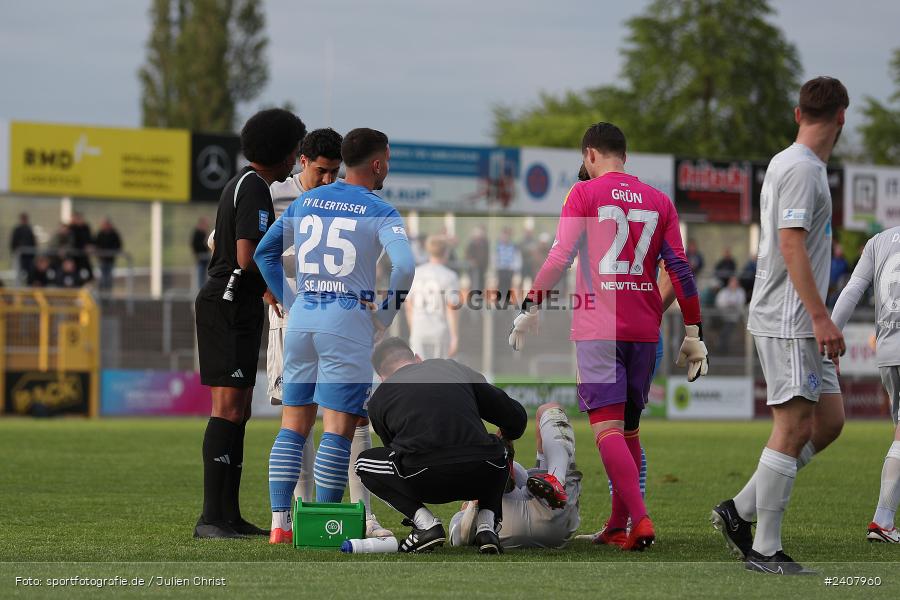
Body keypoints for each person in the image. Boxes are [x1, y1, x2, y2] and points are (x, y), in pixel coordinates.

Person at [509, 122, 707, 552]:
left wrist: (530, 305)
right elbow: (681, 270)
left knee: (607, 430)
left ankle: (640, 520)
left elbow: (560, 255)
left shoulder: (583, 194)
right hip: (644, 331)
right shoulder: (660, 201)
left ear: (589, 155)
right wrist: (694, 330)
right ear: (625, 156)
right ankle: (618, 524)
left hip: (600, 328)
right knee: (630, 431)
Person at [711, 77, 849, 575]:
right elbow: (791, 244)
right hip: (792, 318)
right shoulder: (802, 171)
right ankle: (765, 549)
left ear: (798, 113)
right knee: (791, 427)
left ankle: (740, 509)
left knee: (828, 420)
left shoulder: (791, 163)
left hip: (800, 318)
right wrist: (819, 315)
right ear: (842, 117)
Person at [255, 128, 415, 544]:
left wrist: (292, 300)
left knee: (292, 425)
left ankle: (279, 524)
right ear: (377, 164)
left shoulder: (306, 200)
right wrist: (384, 314)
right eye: (388, 162)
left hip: (304, 315)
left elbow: (263, 253)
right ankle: (321, 528)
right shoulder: (379, 208)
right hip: (346, 318)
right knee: (338, 429)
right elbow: (405, 267)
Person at [193, 108, 306, 540]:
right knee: (227, 410)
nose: (297, 158)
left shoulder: (243, 183)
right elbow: (247, 255)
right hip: (227, 305)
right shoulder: (255, 187)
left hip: (233, 302)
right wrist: (276, 284)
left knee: (238, 412)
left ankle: (229, 515)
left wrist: (265, 288)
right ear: (284, 151)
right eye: (296, 149)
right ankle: (211, 518)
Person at [355, 338, 527, 554]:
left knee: (363, 463)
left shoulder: (379, 398)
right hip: (482, 471)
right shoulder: (452, 368)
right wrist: (507, 435)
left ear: (382, 377)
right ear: (418, 359)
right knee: (498, 450)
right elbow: (515, 418)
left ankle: (425, 525)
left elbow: (395, 451)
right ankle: (487, 526)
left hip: (425, 478)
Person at [830, 225, 900, 543]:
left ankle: (883, 520)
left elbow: (852, 290)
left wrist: (830, 334)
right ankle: (882, 520)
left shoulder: (879, 241)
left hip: (888, 351)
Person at [449, 402, 580, 550]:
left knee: (517, 480)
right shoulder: (527, 482)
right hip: (555, 522)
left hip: (501, 527)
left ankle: (490, 479)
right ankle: (556, 476)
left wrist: (472, 505)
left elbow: (460, 539)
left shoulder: (461, 512)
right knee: (549, 409)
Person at [405, 235, 461, 359]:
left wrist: (413, 329)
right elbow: (451, 307)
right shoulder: (450, 276)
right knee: (440, 374)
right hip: (439, 331)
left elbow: (409, 305)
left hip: (419, 329)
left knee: (421, 372)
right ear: (446, 252)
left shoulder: (416, 273)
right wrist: (454, 336)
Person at [715, 276, 747, 353]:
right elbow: (719, 303)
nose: (734, 284)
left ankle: (722, 350)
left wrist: (733, 305)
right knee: (722, 332)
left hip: (735, 318)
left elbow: (741, 303)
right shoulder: (724, 291)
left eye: (736, 282)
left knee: (726, 332)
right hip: (722, 317)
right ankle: (721, 349)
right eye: (733, 282)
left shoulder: (741, 291)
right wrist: (728, 304)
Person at [93, 218, 122, 292]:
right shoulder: (100, 234)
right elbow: (96, 244)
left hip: (110, 260)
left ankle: (108, 293)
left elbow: (118, 245)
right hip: (101, 259)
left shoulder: (114, 234)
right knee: (101, 277)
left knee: (109, 277)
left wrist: (111, 252)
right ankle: (101, 293)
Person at [494, 227, 521, 302]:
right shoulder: (498, 246)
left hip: (509, 269)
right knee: (500, 285)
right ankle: (499, 301)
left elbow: (516, 257)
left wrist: (515, 267)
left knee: (508, 285)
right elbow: (495, 257)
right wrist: (496, 266)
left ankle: (506, 301)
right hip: (501, 268)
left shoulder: (513, 246)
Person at [10, 213, 36, 283]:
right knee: (19, 273)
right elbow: (13, 243)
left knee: (30, 273)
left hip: (29, 257)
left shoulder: (29, 230)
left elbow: (33, 243)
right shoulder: (17, 230)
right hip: (20, 257)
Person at [68, 212, 93, 282]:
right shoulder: (71, 228)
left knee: (87, 272)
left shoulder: (86, 227)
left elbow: (90, 239)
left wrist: (90, 246)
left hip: (83, 255)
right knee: (74, 271)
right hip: (74, 254)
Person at [465, 226, 489, 294]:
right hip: (473, 268)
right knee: (473, 284)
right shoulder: (471, 244)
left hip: (482, 268)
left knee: (481, 284)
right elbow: (467, 255)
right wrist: (472, 261)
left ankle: (479, 298)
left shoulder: (485, 243)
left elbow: (486, 256)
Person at [192, 217, 212, 288]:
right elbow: (195, 245)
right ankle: (201, 289)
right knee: (200, 275)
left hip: (206, 257)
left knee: (206, 275)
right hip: (201, 257)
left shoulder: (206, 232)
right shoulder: (197, 233)